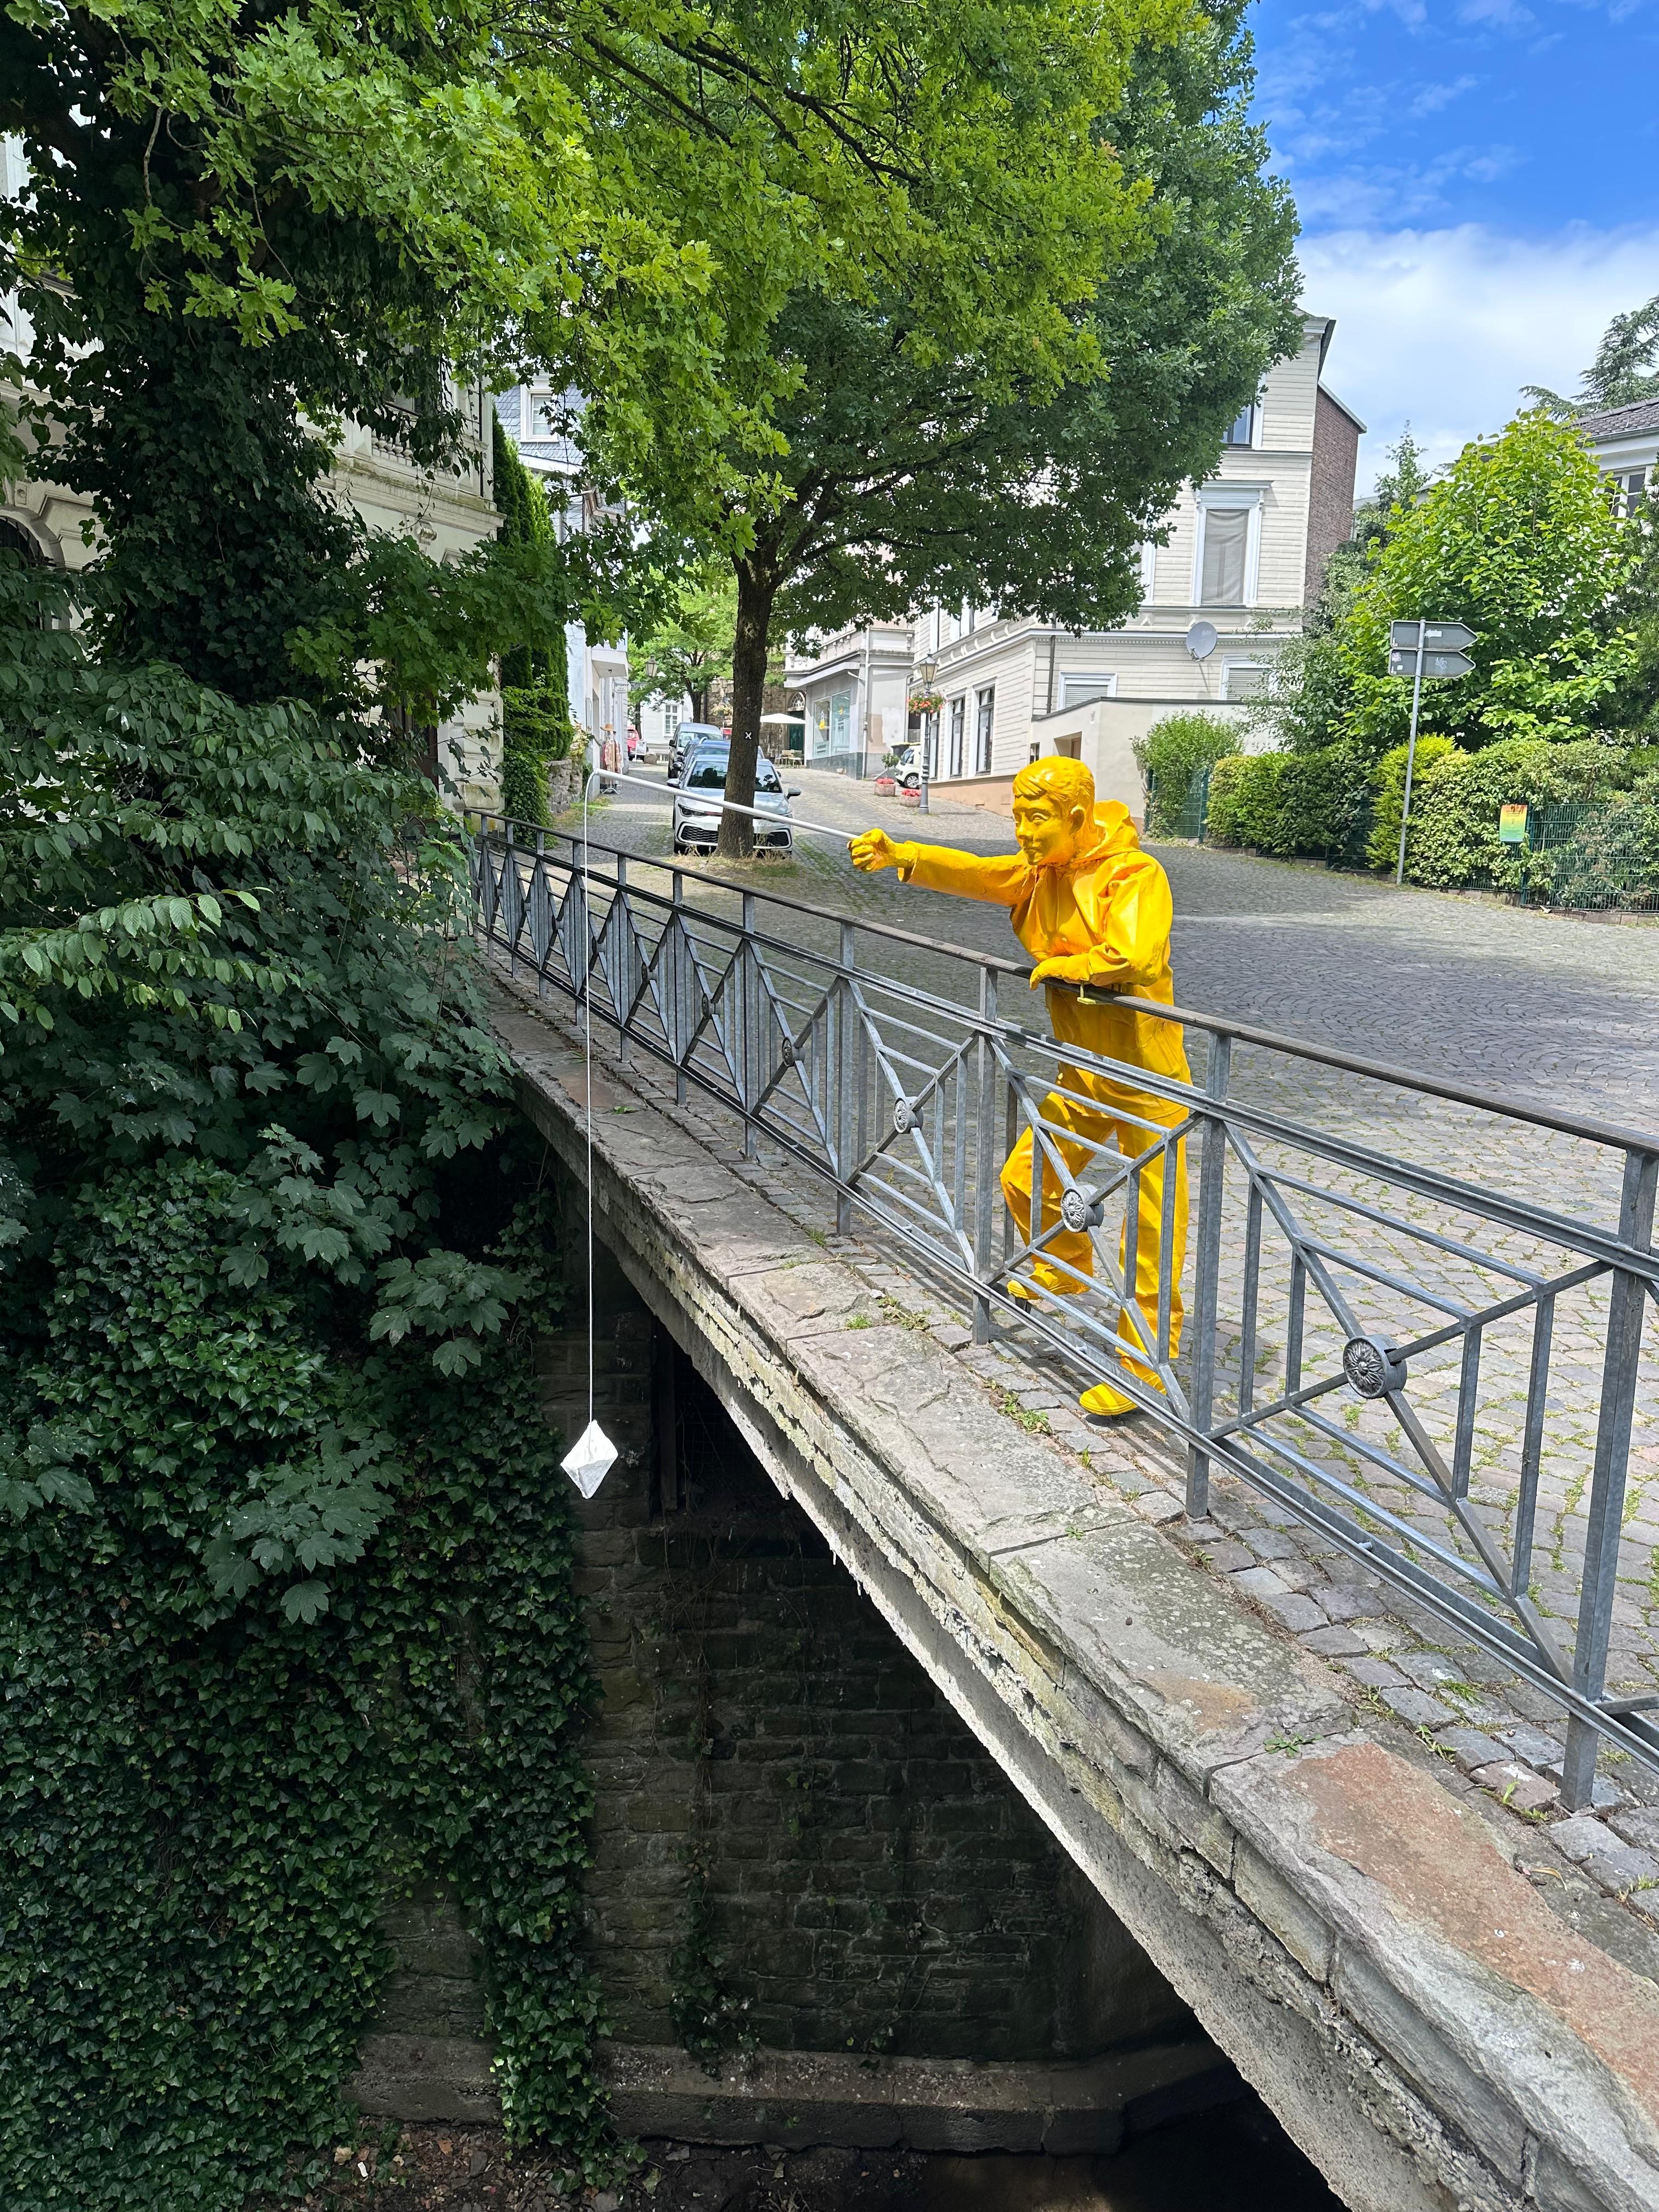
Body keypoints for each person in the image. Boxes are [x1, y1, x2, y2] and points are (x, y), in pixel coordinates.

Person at [849, 756, 1190, 1418]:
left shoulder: (1135, 874)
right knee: (1027, 1177)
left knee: (1152, 1229)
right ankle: (1063, 1269)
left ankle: (1142, 1367)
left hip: (1148, 1075)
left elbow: (1136, 955)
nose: (1023, 833)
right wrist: (903, 854)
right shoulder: (1043, 871)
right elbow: (983, 875)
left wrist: (1070, 966)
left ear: (1078, 820)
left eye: (1035, 820)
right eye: (1017, 818)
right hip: (1084, 1070)